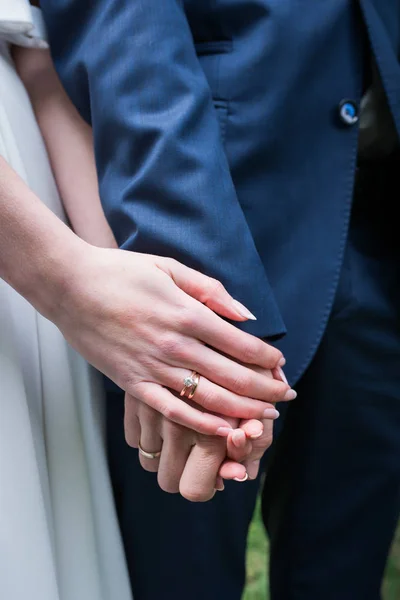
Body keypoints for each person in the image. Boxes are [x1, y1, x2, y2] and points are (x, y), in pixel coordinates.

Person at [41, 0, 400, 599]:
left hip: (382, 224)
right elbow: (125, 29)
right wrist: (194, 302)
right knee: (180, 573)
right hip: (215, 209)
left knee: (345, 567)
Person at [0, 1, 293, 597]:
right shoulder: (59, 276)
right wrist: (62, 280)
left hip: (42, 185)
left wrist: (135, 302)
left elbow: (36, 58)